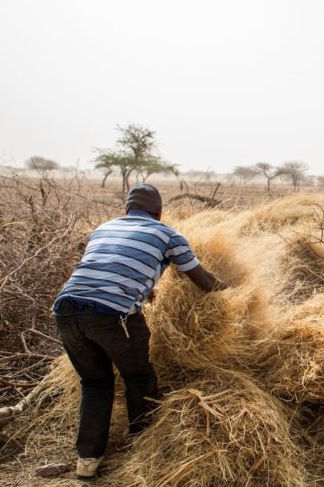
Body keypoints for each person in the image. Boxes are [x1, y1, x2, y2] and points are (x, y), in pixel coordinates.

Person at [52, 184, 227, 478]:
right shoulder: (168, 234)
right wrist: (235, 291)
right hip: (113, 316)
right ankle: (143, 449)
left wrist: (146, 293)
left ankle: (87, 461)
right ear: (158, 213)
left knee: (95, 383)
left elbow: (114, 269)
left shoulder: (103, 228)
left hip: (65, 310)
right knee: (139, 376)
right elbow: (203, 280)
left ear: (126, 210)